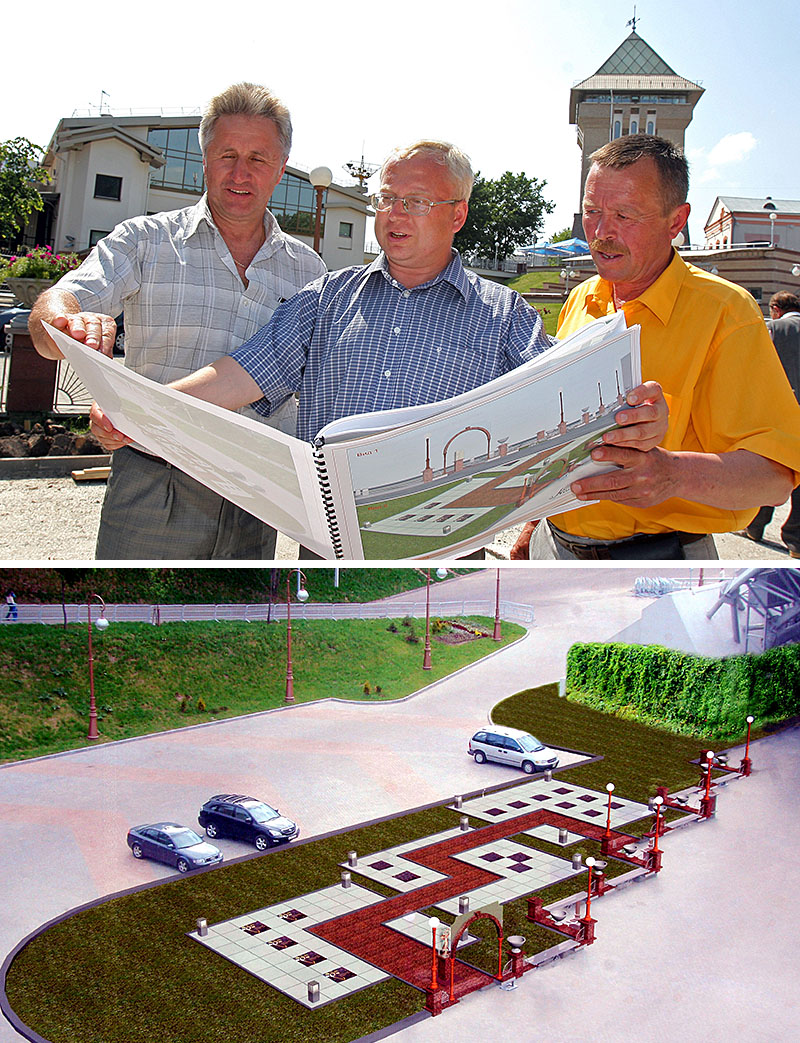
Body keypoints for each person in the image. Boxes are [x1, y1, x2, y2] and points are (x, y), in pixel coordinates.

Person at [92, 138, 670, 559]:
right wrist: (141, 409)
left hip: (446, 562)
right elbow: (240, 374)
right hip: (329, 558)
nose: (393, 213)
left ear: (458, 214)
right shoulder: (327, 298)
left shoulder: (503, 317)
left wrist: (635, 417)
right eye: (387, 198)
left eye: (415, 202)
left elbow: (566, 406)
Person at [28, 82, 326, 560]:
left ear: (280, 168)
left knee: (241, 627)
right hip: (153, 480)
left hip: (254, 493)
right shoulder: (145, 240)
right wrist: (66, 323)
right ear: (204, 159)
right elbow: (53, 312)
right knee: (133, 619)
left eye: (259, 158)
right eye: (227, 154)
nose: (240, 173)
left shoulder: (308, 269)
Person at [511, 134, 800, 560]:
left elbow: (774, 477)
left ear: (676, 221)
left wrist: (672, 474)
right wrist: (535, 526)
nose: (602, 232)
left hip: (660, 562)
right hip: (553, 547)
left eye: (625, 215)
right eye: (592, 212)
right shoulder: (581, 298)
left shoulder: (726, 311)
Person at [739, 292, 800, 556]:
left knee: (773, 467)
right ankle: (796, 540)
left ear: (775, 309)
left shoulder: (775, 329)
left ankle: (755, 525)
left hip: (782, 410)